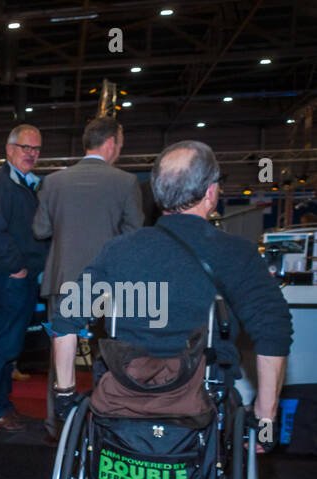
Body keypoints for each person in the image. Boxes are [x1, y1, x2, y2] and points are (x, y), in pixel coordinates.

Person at [51, 141, 291, 446]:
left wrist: (65, 395)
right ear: (210, 193)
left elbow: (66, 320)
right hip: (200, 396)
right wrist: (264, 422)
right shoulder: (236, 253)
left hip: (124, 393)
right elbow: (274, 330)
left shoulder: (119, 250)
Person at [33, 115, 144, 439]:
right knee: (109, 353)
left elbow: (40, 230)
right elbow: (135, 233)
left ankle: (58, 427)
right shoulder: (125, 182)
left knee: (61, 354)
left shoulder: (53, 182)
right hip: (110, 283)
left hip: (64, 279)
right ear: (110, 144)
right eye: (120, 146)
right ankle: (104, 422)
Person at [0, 123, 49, 432]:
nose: (31, 154)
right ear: (9, 149)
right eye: (25, 148)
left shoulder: (22, 183)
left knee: (9, 346)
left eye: (36, 149)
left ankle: (1, 405)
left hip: (20, 278)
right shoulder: (0, 185)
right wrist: (16, 267)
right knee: (2, 345)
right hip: (10, 278)